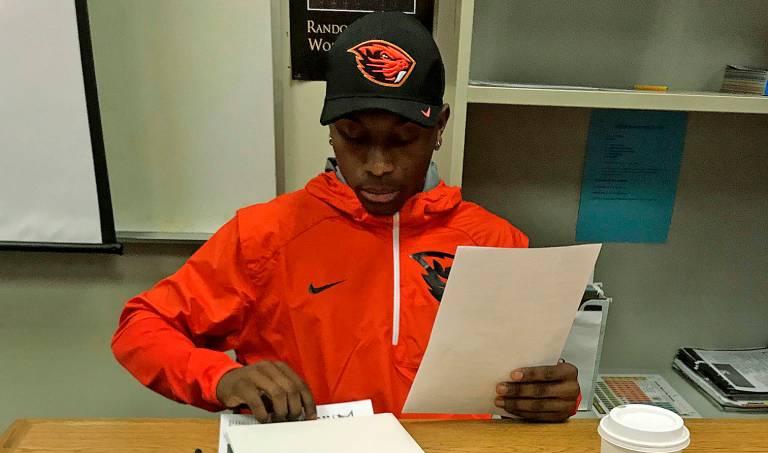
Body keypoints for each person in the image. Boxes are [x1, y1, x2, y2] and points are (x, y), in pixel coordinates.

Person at [111, 12, 580, 424]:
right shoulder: (266, 236)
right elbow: (141, 327)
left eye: (402, 140)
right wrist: (222, 378)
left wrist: (555, 395)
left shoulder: (497, 243)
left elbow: (536, 377)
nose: (378, 165)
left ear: (439, 128)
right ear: (333, 133)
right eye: (355, 138)